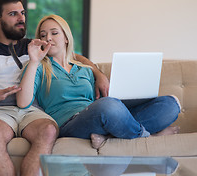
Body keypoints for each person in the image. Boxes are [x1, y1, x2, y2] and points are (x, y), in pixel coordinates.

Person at [0, 0, 110, 176]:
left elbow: (73, 56)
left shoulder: (32, 45)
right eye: (13, 14)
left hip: (32, 110)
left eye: (22, 13)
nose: (21, 18)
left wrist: (98, 73)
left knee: (48, 130)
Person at [16, 14, 181, 149]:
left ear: (66, 38)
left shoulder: (84, 69)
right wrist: (34, 61)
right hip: (70, 123)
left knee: (170, 104)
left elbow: (97, 100)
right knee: (109, 106)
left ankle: (109, 136)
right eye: (43, 35)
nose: (48, 38)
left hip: (98, 114)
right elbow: (23, 102)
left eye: (54, 33)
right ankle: (148, 136)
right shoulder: (38, 67)